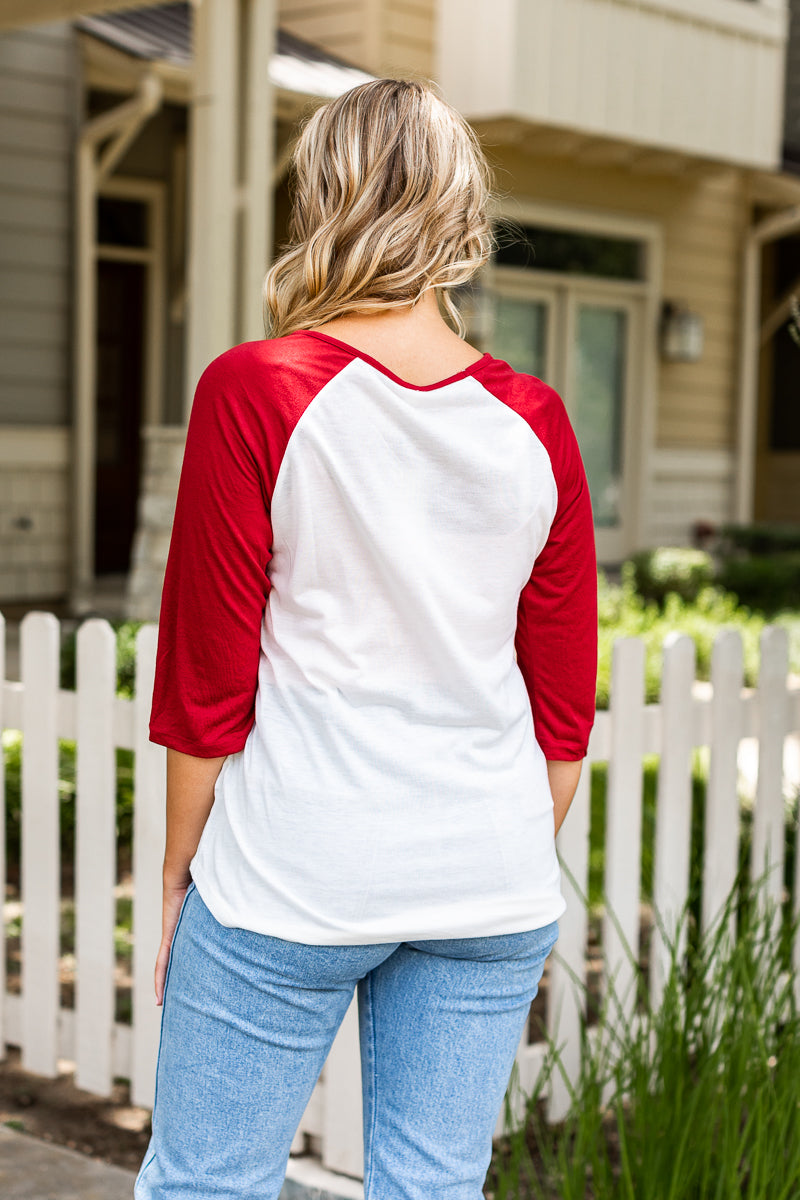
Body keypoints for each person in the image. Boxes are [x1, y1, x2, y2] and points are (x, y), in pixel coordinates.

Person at [134, 76, 598, 1200]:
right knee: (431, 1189)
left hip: (295, 872)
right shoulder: (532, 418)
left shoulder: (258, 388)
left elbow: (208, 675)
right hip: (487, 882)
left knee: (206, 1184)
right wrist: (473, 842)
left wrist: (173, 881)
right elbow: (561, 704)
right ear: (456, 211)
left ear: (322, 199)